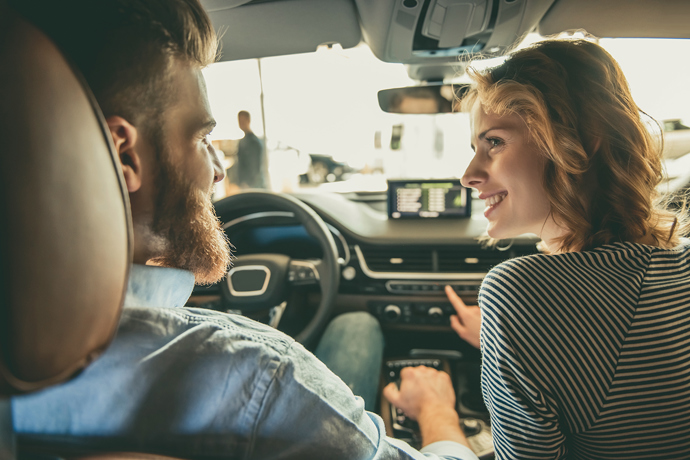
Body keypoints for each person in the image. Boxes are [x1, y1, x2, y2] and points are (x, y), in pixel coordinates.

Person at [9, 1, 478, 459]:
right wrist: (438, 414)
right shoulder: (261, 377)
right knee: (357, 325)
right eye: (202, 138)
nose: (218, 170)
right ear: (124, 156)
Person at [446, 38, 690, 459]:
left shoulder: (517, 293)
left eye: (495, 143)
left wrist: (436, 415)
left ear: (581, 138)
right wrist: (504, 343)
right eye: (474, 149)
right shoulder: (679, 260)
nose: (468, 175)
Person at [235, 110, 268, 189]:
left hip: (253, 186)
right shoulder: (242, 141)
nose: (241, 123)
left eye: (243, 121)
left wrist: (248, 184)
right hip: (246, 184)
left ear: (248, 121)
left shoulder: (253, 142)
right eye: (239, 121)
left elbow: (254, 166)